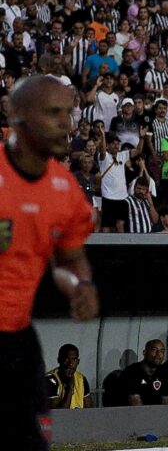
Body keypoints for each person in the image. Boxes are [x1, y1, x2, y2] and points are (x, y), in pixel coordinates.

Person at [0, 76, 99, 449]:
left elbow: (69, 258)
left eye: (69, 113)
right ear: (18, 115)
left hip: (19, 343)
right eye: (53, 112)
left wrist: (80, 286)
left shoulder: (65, 190)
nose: (67, 124)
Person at [120, 339, 168, 405]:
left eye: (162, 351)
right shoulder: (132, 371)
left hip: (158, 414)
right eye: (154, 350)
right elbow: (136, 407)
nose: (158, 354)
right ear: (144, 352)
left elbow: (167, 404)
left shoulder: (165, 372)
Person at [46, 344, 93, 409]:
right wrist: (70, 389)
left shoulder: (81, 379)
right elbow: (58, 415)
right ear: (59, 360)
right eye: (66, 359)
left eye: (74, 359)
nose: (70, 363)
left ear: (78, 362)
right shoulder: (50, 379)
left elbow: (90, 410)